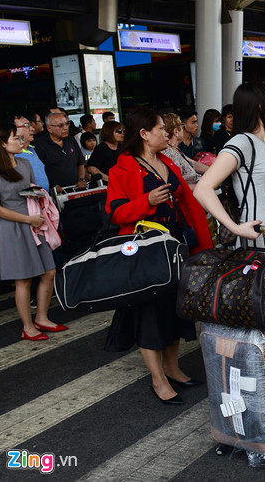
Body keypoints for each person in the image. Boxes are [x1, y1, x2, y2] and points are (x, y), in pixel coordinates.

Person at [105, 107, 212, 405]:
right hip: (146, 249)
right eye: (161, 128)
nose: (167, 133)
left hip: (174, 243)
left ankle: (172, 368)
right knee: (150, 313)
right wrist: (147, 201)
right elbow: (115, 213)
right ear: (144, 134)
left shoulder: (167, 159)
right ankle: (158, 379)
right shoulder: (122, 168)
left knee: (176, 307)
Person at [194, 82, 265, 257]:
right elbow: (202, 189)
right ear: (261, 107)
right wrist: (235, 228)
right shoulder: (242, 142)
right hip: (258, 244)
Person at [0, 123, 65, 342]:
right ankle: (28, 327)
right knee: (23, 280)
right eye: (16, 138)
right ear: (2, 144)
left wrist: (36, 196)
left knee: (49, 272)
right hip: (12, 227)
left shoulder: (24, 163)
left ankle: (42, 317)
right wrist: (28, 219)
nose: (21, 141)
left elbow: (30, 189)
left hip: (34, 222)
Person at [35, 111, 87, 191]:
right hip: (54, 192)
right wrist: (51, 186)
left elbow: (80, 163)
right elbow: (38, 171)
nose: (65, 128)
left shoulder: (71, 140)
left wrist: (81, 179)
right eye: (60, 125)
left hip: (75, 189)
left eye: (67, 124)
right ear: (49, 128)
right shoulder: (39, 145)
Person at [161, 113, 208, 186]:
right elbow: (178, 183)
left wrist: (212, 171)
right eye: (182, 127)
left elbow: (192, 163)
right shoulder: (170, 153)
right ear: (176, 132)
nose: (183, 130)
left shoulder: (175, 150)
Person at [13, 115, 49, 192]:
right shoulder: (12, 155)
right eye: (26, 125)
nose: (32, 129)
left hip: (43, 198)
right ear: (13, 131)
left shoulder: (32, 149)